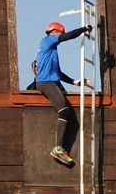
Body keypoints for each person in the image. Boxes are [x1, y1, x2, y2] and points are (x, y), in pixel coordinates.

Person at [35, 20, 92, 167]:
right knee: (63, 110)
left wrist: (75, 82)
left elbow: (58, 73)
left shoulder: (52, 51)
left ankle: (62, 150)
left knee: (70, 117)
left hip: (51, 81)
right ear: (54, 32)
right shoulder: (47, 40)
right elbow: (67, 37)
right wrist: (84, 29)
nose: (61, 36)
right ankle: (58, 148)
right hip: (46, 82)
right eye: (61, 33)